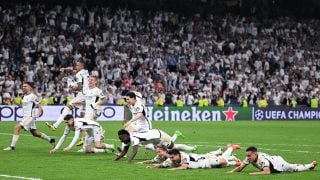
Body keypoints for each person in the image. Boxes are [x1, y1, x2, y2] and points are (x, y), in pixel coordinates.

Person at [3, 82, 55, 151]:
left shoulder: (33, 96)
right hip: (26, 117)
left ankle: (12, 147)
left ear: (30, 87)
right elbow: (22, 106)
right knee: (35, 133)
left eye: (25, 86)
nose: (23, 87)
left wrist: (38, 113)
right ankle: (51, 140)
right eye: (23, 86)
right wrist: (14, 102)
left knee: (16, 127)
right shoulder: (23, 96)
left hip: (30, 116)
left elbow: (39, 105)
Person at [46, 59, 89, 130]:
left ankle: (55, 125)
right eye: (76, 65)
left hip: (82, 95)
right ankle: (86, 133)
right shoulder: (86, 71)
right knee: (82, 114)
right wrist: (65, 69)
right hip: (87, 96)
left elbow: (80, 88)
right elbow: (73, 70)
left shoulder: (78, 74)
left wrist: (72, 86)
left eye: (78, 65)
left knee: (67, 108)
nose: (76, 66)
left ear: (82, 66)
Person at [115, 129, 197, 162]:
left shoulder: (133, 138)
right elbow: (124, 152)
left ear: (126, 136)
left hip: (159, 136)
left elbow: (134, 151)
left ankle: (190, 148)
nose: (120, 140)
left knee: (172, 147)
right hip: (153, 140)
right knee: (162, 151)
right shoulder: (127, 141)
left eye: (121, 138)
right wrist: (115, 160)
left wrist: (128, 161)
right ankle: (176, 135)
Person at [229, 146, 317, 175]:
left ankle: (311, 164)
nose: (247, 157)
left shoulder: (261, 160)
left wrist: (253, 173)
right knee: (294, 166)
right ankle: (309, 165)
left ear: (255, 154)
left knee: (294, 169)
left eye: (249, 155)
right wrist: (231, 172)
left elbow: (267, 172)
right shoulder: (249, 158)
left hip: (279, 164)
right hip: (274, 159)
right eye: (247, 155)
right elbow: (240, 168)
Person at [50, 115, 114, 154]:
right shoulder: (68, 126)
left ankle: (111, 146)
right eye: (65, 122)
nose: (66, 124)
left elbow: (76, 136)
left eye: (67, 122)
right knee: (87, 150)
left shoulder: (77, 124)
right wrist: (56, 148)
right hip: (89, 132)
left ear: (72, 120)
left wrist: (69, 147)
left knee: (98, 145)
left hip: (96, 128)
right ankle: (103, 151)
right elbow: (63, 137)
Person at [147, 144, 241, 170]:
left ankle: (230, 148)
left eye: (172, 158)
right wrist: (152, 167)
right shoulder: (171, 159)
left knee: (223, 161)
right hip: (201, 162)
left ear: (177, 155)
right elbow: (162, 165)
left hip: (204, 159)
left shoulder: (183, 156)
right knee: (221, 164)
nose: (171, 159)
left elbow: (184, 167)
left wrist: (172, 170)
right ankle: (234, 160)